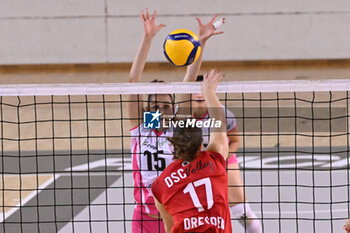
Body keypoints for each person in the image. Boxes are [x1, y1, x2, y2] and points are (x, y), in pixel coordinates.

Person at [127, 9, 225, 233]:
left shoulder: (178, 128)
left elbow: (189, 80)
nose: (161, 111)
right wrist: (148, 38)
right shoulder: (141, 130)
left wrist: (199, 44)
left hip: (176, 215)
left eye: (166, 106)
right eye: (155, 107)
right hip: (144, 219)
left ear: (173, 108)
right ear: (147, 109)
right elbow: (133, 80)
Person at [152, 69, 232, 233]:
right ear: (201, 143)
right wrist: (209, 92)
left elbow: (170, 227)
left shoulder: (159, 185)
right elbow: (219, 123)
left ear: (173, 145)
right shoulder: (214, 161)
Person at [192, 76, 262, 233]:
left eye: (202, 89)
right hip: (193, 165)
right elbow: (146, 122)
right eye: (195, 90)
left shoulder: (224, 114)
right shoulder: (180, 114)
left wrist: (219, 160)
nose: (199, 94)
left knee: (242, 212)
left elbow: (235, 141)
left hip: (222, 161)